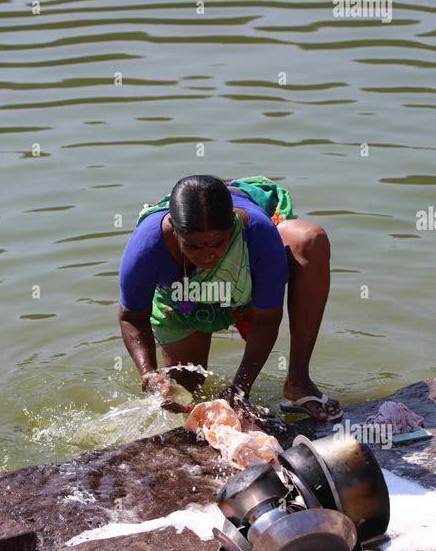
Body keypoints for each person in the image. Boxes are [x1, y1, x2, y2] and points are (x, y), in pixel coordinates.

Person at [118, 175, 342, 422]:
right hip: (182, 297)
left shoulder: (256, 233)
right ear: (175, 229)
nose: (208, 256)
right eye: (193, 246)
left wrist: (240, 387)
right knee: (185, 398)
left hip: (242, 285)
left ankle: (298, 381)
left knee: (310, 240)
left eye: (217, 243)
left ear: (232, 227)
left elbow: (267, 320)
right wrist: (149, 374)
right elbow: (132, 316)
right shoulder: (147, 245)